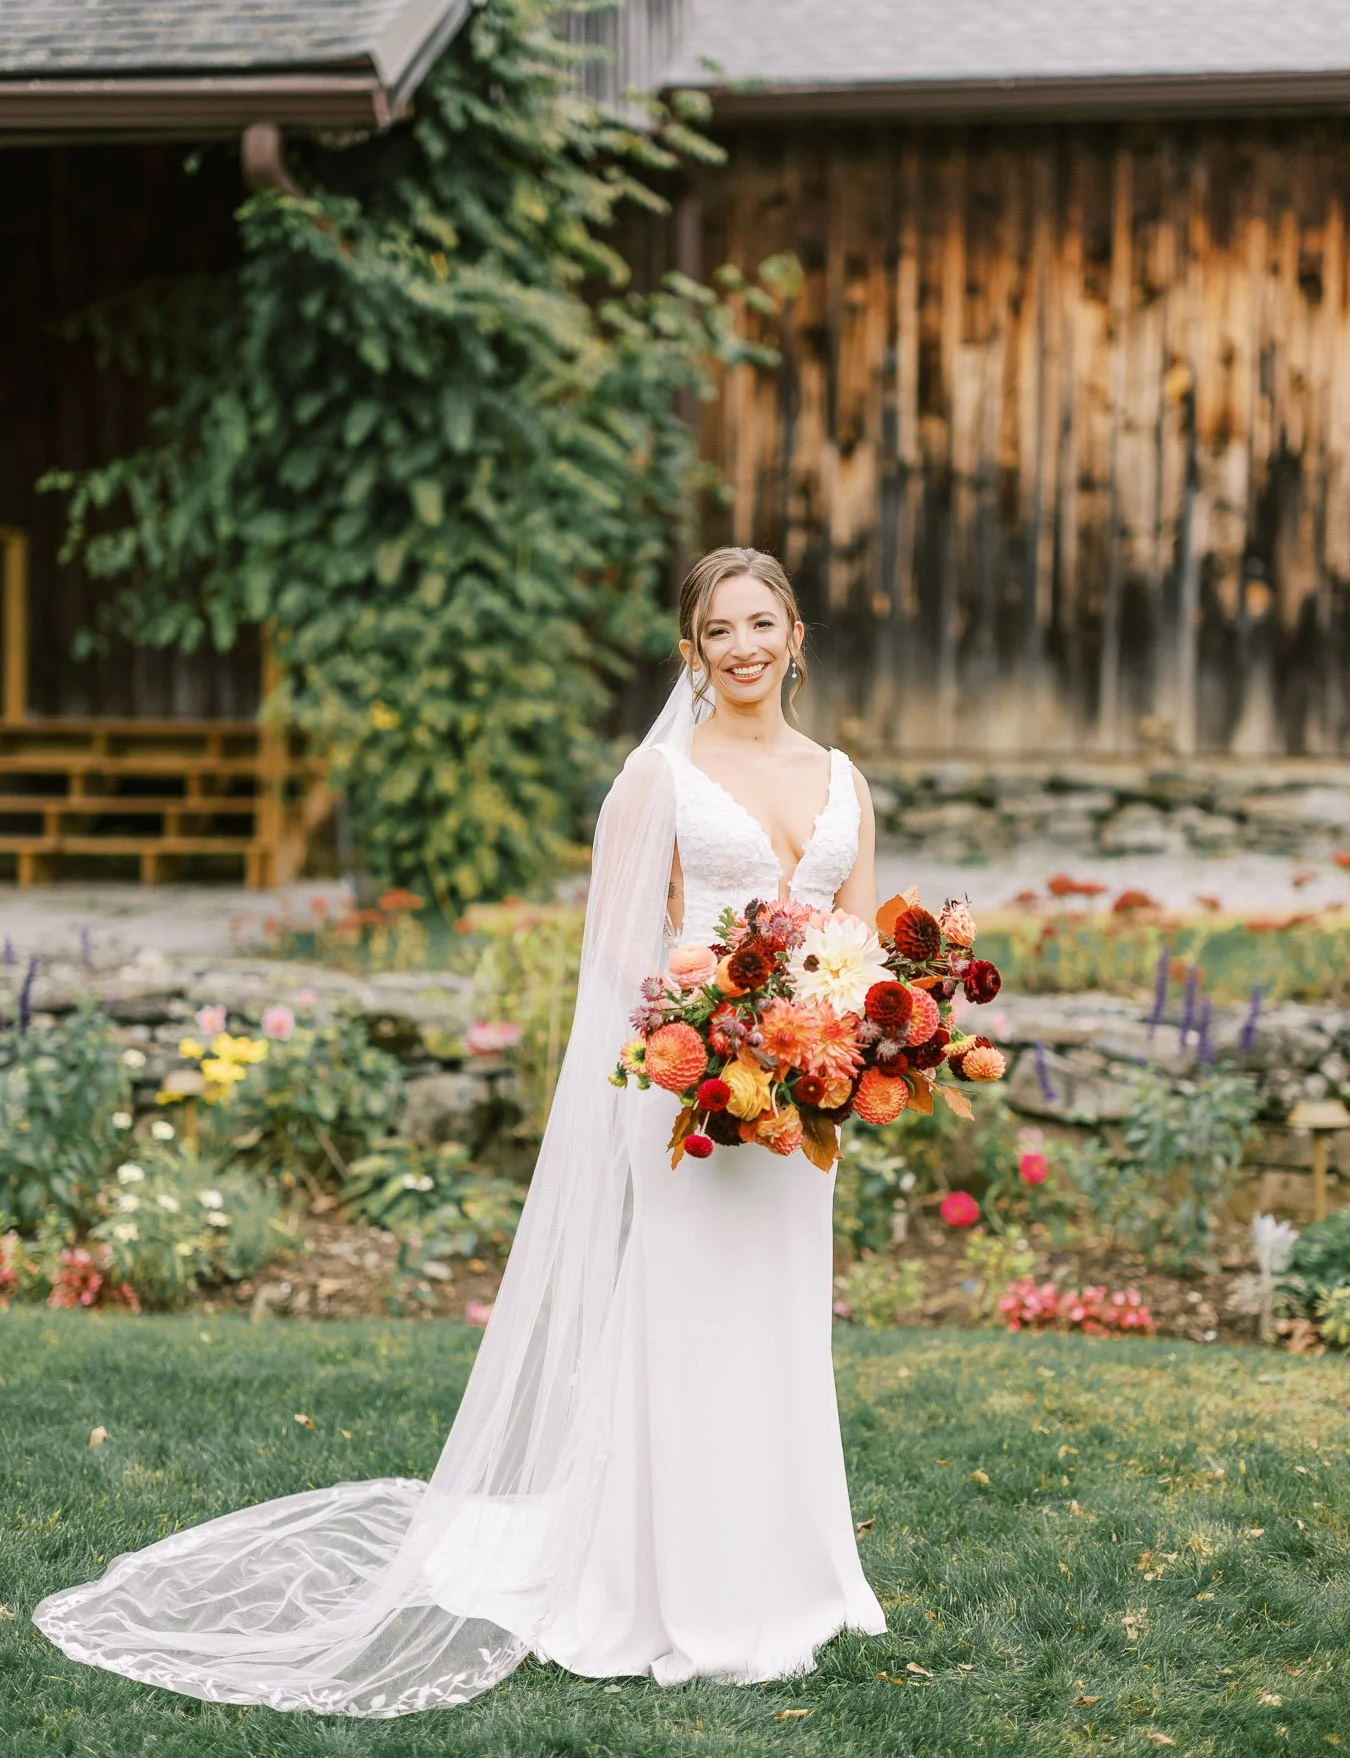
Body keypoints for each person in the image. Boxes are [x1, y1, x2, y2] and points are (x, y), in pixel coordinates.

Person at [32, 546, 886, 1715]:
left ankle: (793, 1567)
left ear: (796, 633)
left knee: (781, 1323)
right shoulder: (658, 780)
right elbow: (615, 969)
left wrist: (858, 1041)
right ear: (691, 655)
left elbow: (859, 943)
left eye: (761, 623)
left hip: (809, 1109)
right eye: (717, 632)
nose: (742, 648)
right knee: (686, 1324)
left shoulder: (842, 778)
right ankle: (674, 1581)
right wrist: (708, 1046)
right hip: (694, 1094)